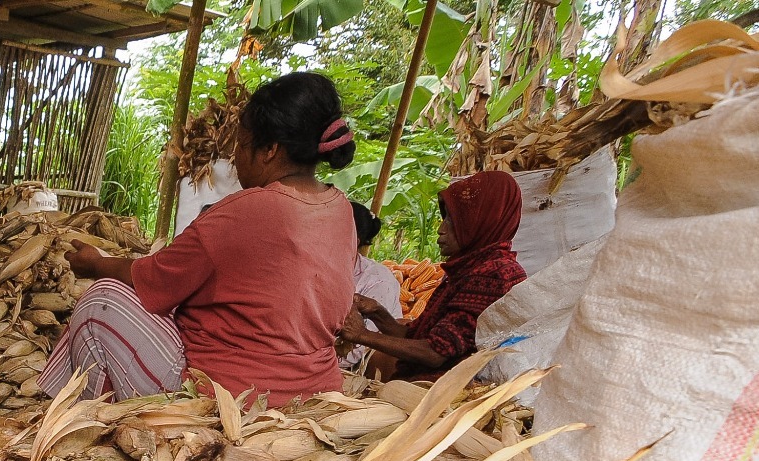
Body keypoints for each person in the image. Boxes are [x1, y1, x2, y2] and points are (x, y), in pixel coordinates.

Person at [43, 72, 358, 404]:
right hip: (317, 388)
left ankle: (87, 422)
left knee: (101, 301)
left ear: (269, 150)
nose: (236, 157)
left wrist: (97, 264)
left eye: (241, 143)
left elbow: (155, 280)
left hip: (234, 394)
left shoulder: (247, 209)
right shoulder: (341, 210)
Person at [341, 170, 526, 379]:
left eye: (452, 221)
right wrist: (378, 312)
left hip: (445, 394)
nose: (440, 229)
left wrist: (361, 335)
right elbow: (418, 337)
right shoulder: (468, 269)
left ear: (479, 223)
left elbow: (435, 353)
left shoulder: (492, 274)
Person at [344, 201, 403, 371]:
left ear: (353, 241)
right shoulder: (317, 270)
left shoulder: (378, 281)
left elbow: (354, 352)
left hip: (363, 371)